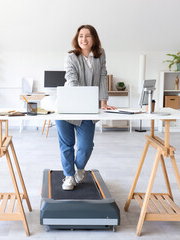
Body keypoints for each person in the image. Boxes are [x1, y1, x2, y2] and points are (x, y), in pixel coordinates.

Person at [56, 25, 116, 191]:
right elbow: (71, 79)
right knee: (67, 145)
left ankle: (80, 169)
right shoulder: (71, 57)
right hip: (67, 107)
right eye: (81, 36)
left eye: (87, 36)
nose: (84, 39)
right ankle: (69, 176)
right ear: (77, 38)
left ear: (94, 38)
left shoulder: (100, 55)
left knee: (86, 145)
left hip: (88, 110)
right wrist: (78, 100)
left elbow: (103, 77)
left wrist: (103, 102)